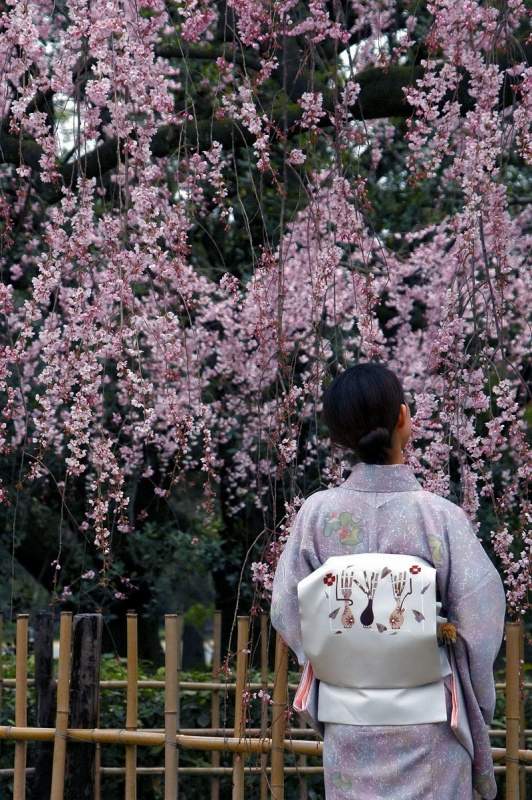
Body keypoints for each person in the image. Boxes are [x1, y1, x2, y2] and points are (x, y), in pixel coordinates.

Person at [270, 362, 506, 800]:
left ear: (339, 435)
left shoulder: (317, 516)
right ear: (404, 418)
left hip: (348, 724)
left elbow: (287, 608)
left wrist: (341, 656)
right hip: (430, 727)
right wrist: (474, 702)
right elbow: (481, 620)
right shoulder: (440, 518)